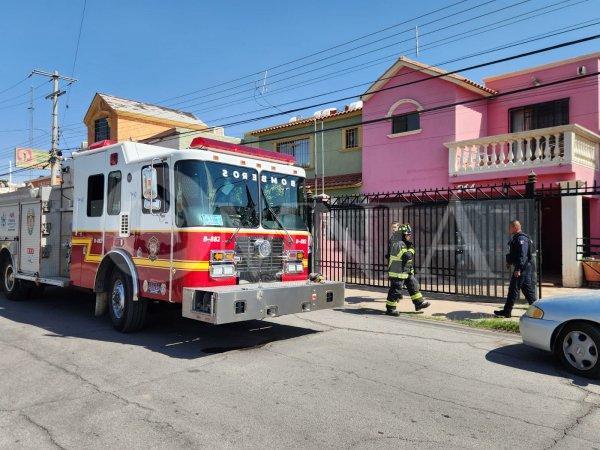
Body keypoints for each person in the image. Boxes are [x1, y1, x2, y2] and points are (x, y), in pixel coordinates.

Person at [386, 222, 430, 316]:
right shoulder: (399, 243)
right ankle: (390, 309)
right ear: (402, 235)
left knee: (413, 285)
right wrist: (412, 249)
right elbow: (407, 256)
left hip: (406, 271)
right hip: (397, 272)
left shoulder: (403, 242)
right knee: (396, 290)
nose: (409, 236)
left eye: (410, 234)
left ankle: (419, 303)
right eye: (407, 234)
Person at [494, 220, 537, 318]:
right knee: (528, 291)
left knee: (513, 289)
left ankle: (507, 311)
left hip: (522, 268)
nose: (508, 229)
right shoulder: (517, 238)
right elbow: (516, 254)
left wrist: (518, 269)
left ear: (515, 227)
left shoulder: (522, 238)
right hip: (523, 267)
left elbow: (523, 255)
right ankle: (538, 311)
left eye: (510, 227)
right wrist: (509, 262)